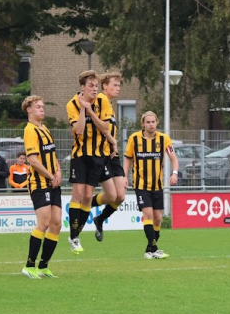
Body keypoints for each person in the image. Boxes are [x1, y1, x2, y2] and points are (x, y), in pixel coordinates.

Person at [66, 70, 118, 254]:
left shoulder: (103, 101)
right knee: (78, 193)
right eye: (91, 86)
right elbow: (79, 130)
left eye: (96, 86)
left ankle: (76, 232)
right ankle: (74, 237)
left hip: (98, 156)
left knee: (88, 196)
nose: (95, 89)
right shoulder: (72, 104)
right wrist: (82, 108)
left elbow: (105, 127)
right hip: (80, 155)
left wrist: (89, 110)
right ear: (82, 87)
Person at [123, 111, 179, 259]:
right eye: (148, 122)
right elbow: (128, 158)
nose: (151, 124)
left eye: (153, 122)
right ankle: (154, 249)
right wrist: (124, 176)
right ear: (143, 124)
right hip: (141, 185)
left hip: (157, 185)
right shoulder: (134, 139)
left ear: (157, 122)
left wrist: (175, 173)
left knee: (158, 218)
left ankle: (149, 250)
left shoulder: (164, 139)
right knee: (147, 214)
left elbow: (173, 158)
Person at [20, 95, 63, 279]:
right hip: (39, 183)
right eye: (38, 106)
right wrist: (50, 175)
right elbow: (33, 160)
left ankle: (43, 266)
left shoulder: (44, 128)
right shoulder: (30, 130)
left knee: (56, 224)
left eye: (42, 106)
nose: (42, 109)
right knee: (44, 223)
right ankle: (29, 266)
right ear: (29, 110)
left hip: (53, 182)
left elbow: (52, 155)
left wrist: (59, 171)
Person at [87, 72, 128, 242]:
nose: (118, 88)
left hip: (113, 154)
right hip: (103, 153)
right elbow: (101, 126)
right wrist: (110, 141)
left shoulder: (110, 105)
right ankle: (85, 206)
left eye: (119, 85)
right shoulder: (102, 99)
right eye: (115, 85)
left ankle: (99, 219)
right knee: (111, 196)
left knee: (120, 197)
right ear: (105, 86)